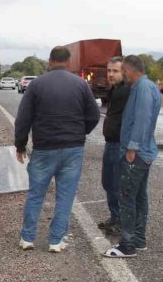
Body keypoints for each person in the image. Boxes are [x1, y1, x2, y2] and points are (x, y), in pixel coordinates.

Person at [15, 46, 100, 252]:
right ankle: (55, 240)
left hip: (44, 148)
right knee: (65, 195)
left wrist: (20, 145)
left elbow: (23, 118)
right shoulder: (81, 84)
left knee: (36, 193)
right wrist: (80, 133)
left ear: (50, 60)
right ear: (68, 62)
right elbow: (94, 116)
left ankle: (27, 238)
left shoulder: (36, 85)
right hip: (73, 148)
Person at [104, 55, 162, 258]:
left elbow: (142, 119)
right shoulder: (148, 86)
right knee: (138, 197)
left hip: (136, 154)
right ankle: (139, 240)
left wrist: (132, 148)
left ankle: (127, 245)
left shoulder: (143, 88)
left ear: (129, 70)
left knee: (127, 197)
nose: (124, 75)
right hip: (142, 152)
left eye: (124, 71)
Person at [97, 57, 130, 235]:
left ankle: (120, 221)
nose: (110, 74)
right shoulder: (115, 89)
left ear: (124, 71)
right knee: (108, 183)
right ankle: (114, 217)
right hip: (110, 142)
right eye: (109, 70)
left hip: (119, 144)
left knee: (116, 184)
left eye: (115, 71)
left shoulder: (126, 91)